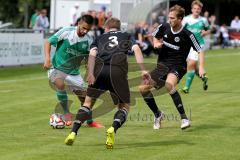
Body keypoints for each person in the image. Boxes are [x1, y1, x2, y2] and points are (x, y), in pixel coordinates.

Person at [64, 17, 149, 148]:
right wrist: (143, 70)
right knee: (124, 106)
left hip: (99, 71)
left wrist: (91, 73)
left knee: (87, 103)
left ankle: (73, 132)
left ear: (107, 27)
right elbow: (137, 49)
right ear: (118, 28)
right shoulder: (126, 35)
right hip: (117, 72)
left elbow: (92, 54)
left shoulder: (99, 38)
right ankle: (112, 129)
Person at [139, 5, 205, 130]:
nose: (170, 20)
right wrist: (156, 43)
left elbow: (200, 50)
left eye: (173, 18)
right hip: (162, 65)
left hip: (178, 66)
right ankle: (158, 114)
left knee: (169, 85)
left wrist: (201, 67)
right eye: (169, 17)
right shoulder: (164, 27)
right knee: (143, 88)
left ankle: (184, 118)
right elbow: (154, 36)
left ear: (180, 19)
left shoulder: (187, 34)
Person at [43, 15, 103, 128]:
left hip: (74, 73)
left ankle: (90, 122)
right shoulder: (66, 32)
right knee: (60, 83)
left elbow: (88, 58)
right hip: (57, 68)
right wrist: (47, 59)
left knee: (86, 99)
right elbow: (48, 42)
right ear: (79, 23)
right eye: (83, 28)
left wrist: (90, 71)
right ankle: (66, 114)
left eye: (88, 29)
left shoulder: (88, 40)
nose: (85, 31)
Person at [181, 0, 210, 93]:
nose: (196, 10)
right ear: (192, 9)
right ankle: (203, 78)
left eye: (198, 9)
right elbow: (180, 30)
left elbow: (208, 30)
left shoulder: (204, 20)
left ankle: (186, 88)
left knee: (191, 64)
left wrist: (205, 32)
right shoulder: (186, 19)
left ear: (200, 10)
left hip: (198, 45)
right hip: (186, 45)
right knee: (192, 67)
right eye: (195, 8)